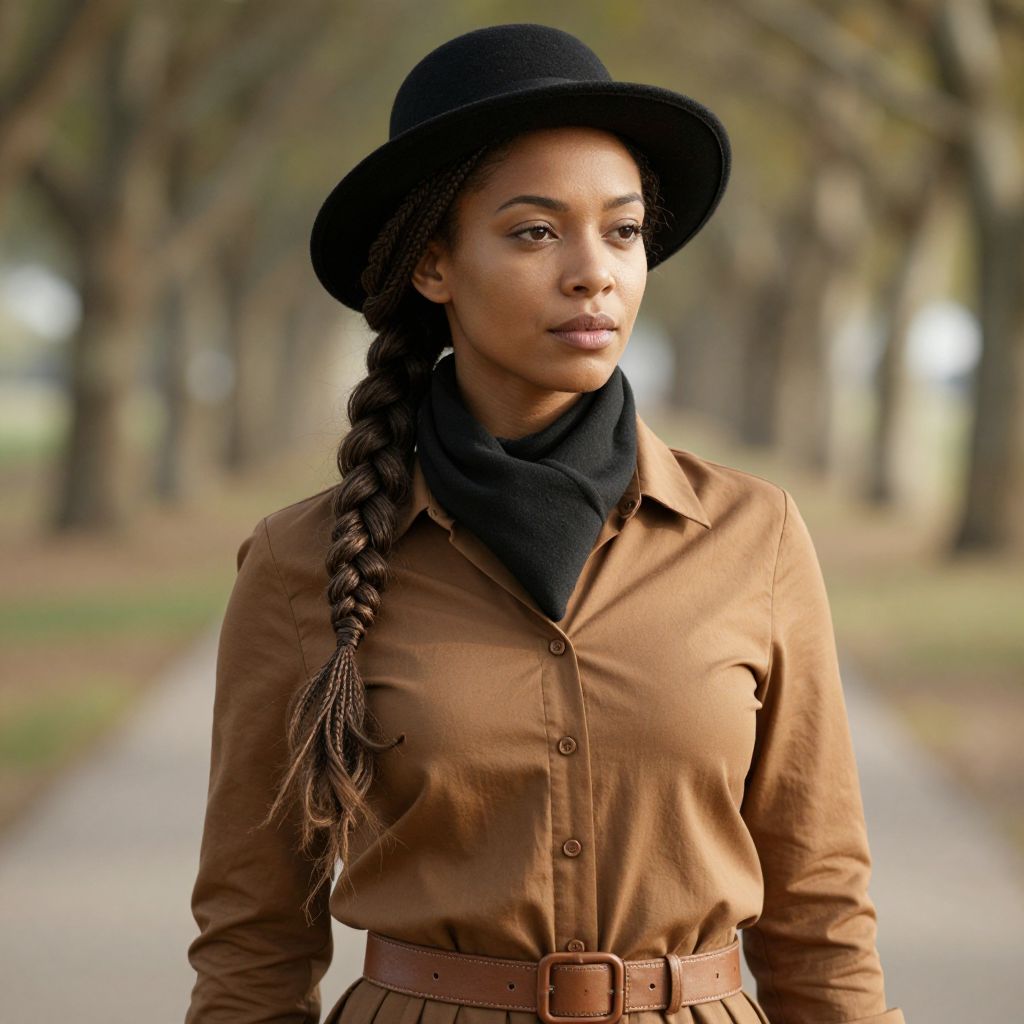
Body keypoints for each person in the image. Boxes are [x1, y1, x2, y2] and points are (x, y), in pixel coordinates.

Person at [184, 22, 906, 1024]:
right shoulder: (300, 562)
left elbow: (821, 909)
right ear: (433, 265)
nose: (593, 272)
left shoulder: (755, 535)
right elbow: (255, 933)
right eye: (534, 232)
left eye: (623, 231)